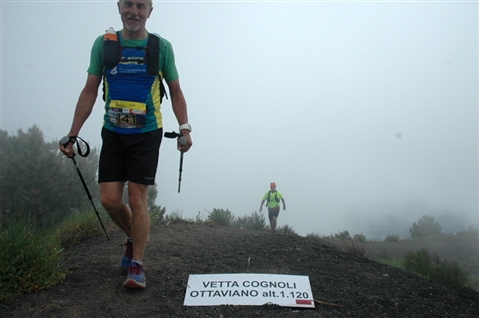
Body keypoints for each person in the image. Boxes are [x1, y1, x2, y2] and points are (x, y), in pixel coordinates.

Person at [59, 0, 192, 289]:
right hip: (114, 132)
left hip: (146, 133)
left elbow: (176, 90)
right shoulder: (104, 44)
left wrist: (184, 128)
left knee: (137, 198)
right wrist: (72, 133)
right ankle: (133, 237)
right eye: (128, 5)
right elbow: (90, 90)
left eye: (141, 6)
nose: (134, 11)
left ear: (149, 12)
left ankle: (137, 264)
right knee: (108, 199)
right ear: (119, 7)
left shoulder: (161, 47)